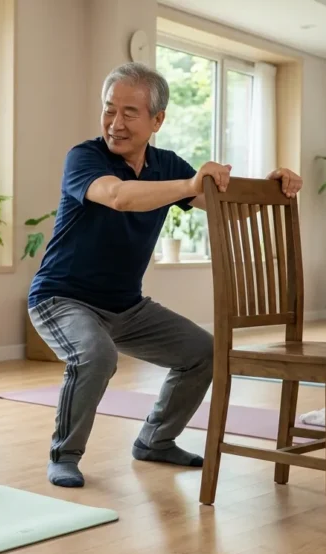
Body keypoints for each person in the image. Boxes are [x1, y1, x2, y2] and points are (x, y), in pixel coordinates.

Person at [26, 62, 303, 488]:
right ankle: (65, 454)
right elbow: (118, 197)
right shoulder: (85, 157)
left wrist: (271, 186)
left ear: (158, 119)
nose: (115, 124)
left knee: (205, 352)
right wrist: (190, 184)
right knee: (96, 355)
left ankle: (156, 440)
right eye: (108, 110)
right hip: (61, 298)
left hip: (126, 305)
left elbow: (226, 208)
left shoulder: (166, 164)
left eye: (129, 113)